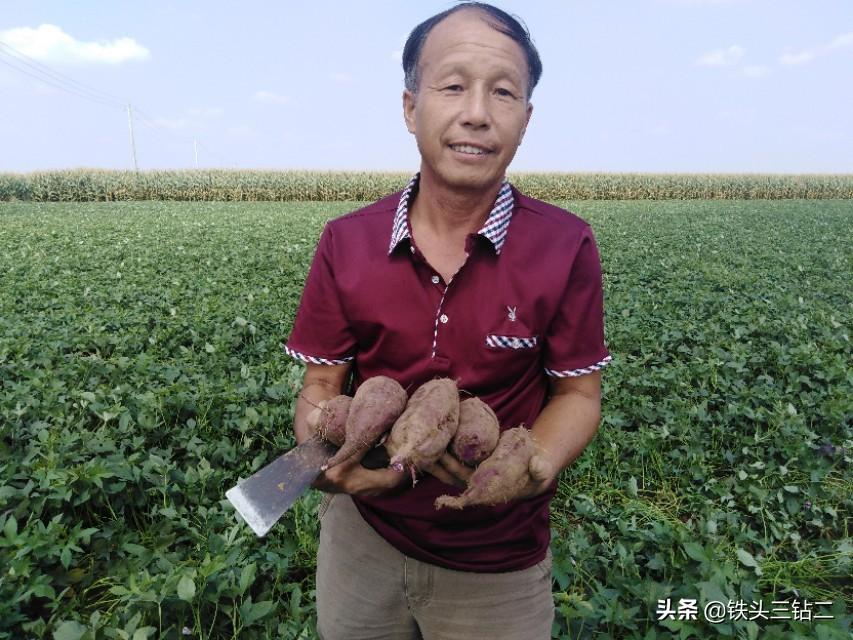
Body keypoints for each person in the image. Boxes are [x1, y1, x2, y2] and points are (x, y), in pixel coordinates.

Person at [285, 3, 610, 638]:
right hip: (362, 539)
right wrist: (328, 451)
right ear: (411, 107)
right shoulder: (346, 242)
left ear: (526, 119)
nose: (477, 113)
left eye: (504, 92)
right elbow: (322, 387)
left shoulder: (565, 245)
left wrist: (530, 466)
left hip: (498, 562)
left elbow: (578, 392)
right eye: (453, 85)